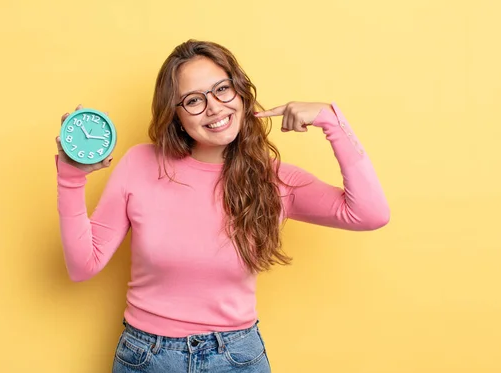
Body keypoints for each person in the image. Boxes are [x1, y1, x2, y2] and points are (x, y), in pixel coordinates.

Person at [54, 40, 389, 373]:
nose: (214, 107)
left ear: (241, 93)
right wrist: (71, 177)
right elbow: (83, 265)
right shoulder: (139, 164)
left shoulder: (276, 181)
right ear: (177, 115)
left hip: (236, 358)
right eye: (194, 100)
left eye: (222, 89)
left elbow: (370, 214)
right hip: (146, 357)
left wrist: (331, 121)